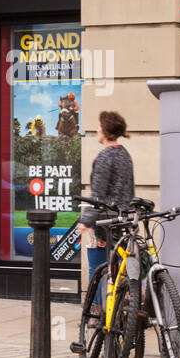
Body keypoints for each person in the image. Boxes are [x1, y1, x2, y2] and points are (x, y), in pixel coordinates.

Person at [73, 110, 134, 282]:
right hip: (124, 220)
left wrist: (85, 221)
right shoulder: (124, 154)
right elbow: (130, 191)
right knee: (121, 268)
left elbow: (97, 196)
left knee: (97, 268)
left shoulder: (104, 157)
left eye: (100, 126)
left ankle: (98, 308)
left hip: (105, 222)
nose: (97, 130)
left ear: (106, 130)